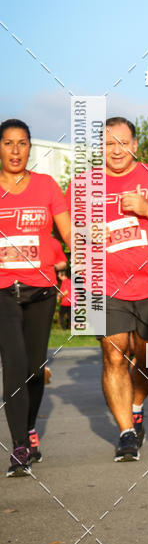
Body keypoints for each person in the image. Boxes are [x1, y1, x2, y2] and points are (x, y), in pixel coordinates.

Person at [67, 117, 148, 461]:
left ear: (135, 145)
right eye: (107, 143)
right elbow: (71, 234)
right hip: (103, 284)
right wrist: (90, 235)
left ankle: (136, 404)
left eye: (122, 142)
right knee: (114, 354)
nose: (115, 150)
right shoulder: (84, 185)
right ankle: (126, 433)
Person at [0, 118, 71, 476]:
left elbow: (68, 233)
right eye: (9, 143)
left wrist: (84, 268)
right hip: (1, 292)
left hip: (41, 290)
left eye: (22, 143)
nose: (15, 151)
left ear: (30, 147)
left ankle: (28, 429)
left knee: (33, 369)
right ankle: (19, 447)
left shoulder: (45, 186)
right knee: (13, 366)